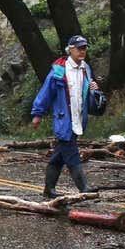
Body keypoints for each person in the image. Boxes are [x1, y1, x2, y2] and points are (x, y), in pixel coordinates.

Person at [31, 34, 101, 197]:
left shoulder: (86, 68)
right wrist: (37, 114)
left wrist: (94, 88)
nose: (82, 51)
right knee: (71, 153)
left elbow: (87, 92)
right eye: (79, 48)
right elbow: (46, 92)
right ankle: (84, 188)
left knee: (59, 156)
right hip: (64, 120)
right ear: (70, 50)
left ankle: (49, 189)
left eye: (84, 48)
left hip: (79, 118)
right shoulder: (59, 70)